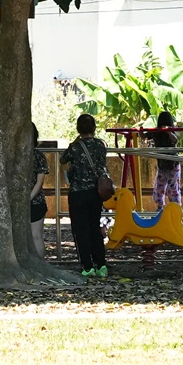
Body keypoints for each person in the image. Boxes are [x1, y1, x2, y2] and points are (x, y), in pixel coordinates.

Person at [60, 113, 110, 279]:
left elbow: (62, 159)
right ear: (94, 128)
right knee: (95, 228)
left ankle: (87, 266)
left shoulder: (75, 146)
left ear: (78, 129)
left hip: (77, 193)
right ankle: (101, 264)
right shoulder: (100, 145)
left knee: (80, 230)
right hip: (96, 192)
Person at [150, 110, 181, 211]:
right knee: (159, 187)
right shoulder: (156, 132)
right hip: (162, 165)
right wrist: (139, 131)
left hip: (173, 164)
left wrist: (168, 132)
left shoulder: (172, 132)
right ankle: (160, 208)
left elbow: (175, 140)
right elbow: (145, 135)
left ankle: (176, 209)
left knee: (173, 188)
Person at [28, 125, 48, 257]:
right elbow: (39, 182)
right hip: (37, 200)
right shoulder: (39, 156)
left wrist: (27, 198)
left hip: (33, 202)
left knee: (36, 236)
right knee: (37, 236)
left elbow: (40, 182)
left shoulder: (13, 156)